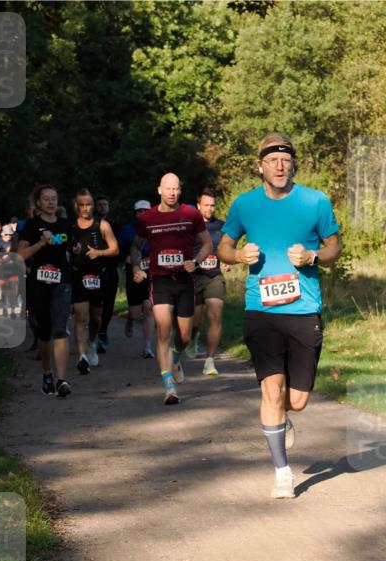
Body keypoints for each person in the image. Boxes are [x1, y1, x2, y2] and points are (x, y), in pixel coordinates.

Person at [218, 133, 341, 497]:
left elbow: (334, 244)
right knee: (272, 390)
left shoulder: (314, 201)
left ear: (293, 163)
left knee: (296, 400)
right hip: (261, 310)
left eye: (285, 159)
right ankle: (282, 471)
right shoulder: (245, 205)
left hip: (304, 309)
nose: (279, 165)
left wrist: (314, 256)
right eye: (272, 160)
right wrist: (238, 256)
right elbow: (224, 245)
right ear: (260, 166)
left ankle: (282, 419)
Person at [131, 174, 212, 403]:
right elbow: (135, 247)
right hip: (160, 280)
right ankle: (169, 387)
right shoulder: (147, 218)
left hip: (185, 280)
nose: (173, 193)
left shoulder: (191, 214)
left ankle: (176, 356)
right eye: (168, 189)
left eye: (176, 189)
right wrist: (136, 265)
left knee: (185, 335)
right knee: (164, 329)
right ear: (159, 190)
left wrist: (195, 261)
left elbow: (207, 243)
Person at [17, 184, 74, 397]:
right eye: (47, 199)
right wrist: (41, 243)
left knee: (60, 329)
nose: (51, 202)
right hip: (39, 284)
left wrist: (75, 249)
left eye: (54, 198)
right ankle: (47, 373)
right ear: (39, 203)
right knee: (44, 332)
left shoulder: (65, 224)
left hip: (62, 282)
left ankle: (62, 380)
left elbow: (72, 248)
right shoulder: (31, 226)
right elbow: (20, 255)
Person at [70, 188, 119, 373]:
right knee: (81, 315)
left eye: (88, 204)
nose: (85, 208)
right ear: (76, 206)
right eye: (81, 204)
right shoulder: (70, 226)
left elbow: (115, 249)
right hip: (78, 275)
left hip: (99, 276)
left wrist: (99, 252)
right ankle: (82, 356)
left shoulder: (103, 225)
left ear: (92, 205)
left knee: (96, 318)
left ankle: (91, 342)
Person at [191, 189, 228, 375]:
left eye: (212, 205)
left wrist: (227, 261)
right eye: (206, 205)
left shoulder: (222, 226)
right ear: (198, 206)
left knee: (215, 315)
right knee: (195, 321)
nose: (210, 208)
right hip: (194, 277)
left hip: (214, 276)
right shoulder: (190, 225)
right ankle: (193, 337)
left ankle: (210, 360)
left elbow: (227, 248)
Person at [119, 200, 156, 358]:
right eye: (139, 211)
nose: (143, 214)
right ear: (135, 213)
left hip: (152, 271)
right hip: (134, 271)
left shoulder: (155, 227)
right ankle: (129, 319)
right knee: (135, 313)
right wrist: (126, 257)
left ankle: (148, 346)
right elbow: (119, 249)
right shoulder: (127, 230)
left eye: (145, 211)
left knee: (148, 307)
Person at [94, 195, 119, 351]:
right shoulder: (91, 225)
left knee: (109, 304)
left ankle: (103, 330)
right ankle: (94, 336)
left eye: (105, 204)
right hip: (94, 270)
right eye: (100, 204)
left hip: (111, 270)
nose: (102, 207)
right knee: (96, 305)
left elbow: (120, 248)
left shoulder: (115, 225)